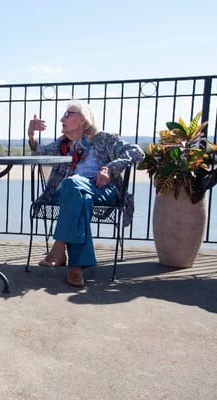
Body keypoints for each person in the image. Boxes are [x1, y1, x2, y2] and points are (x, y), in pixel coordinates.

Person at [27, 100, 144, 287]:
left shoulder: (104, 139)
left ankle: (59, 248)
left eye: (68, 114)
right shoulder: (63, 144)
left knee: (74, 186)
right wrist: (31, 134)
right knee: (78, 194)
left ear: (82, 120)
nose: (61, 119)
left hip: (101, 189)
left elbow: (136, 152)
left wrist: (109, 167)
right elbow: (39, 152)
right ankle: (76, 266)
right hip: (69, 192)